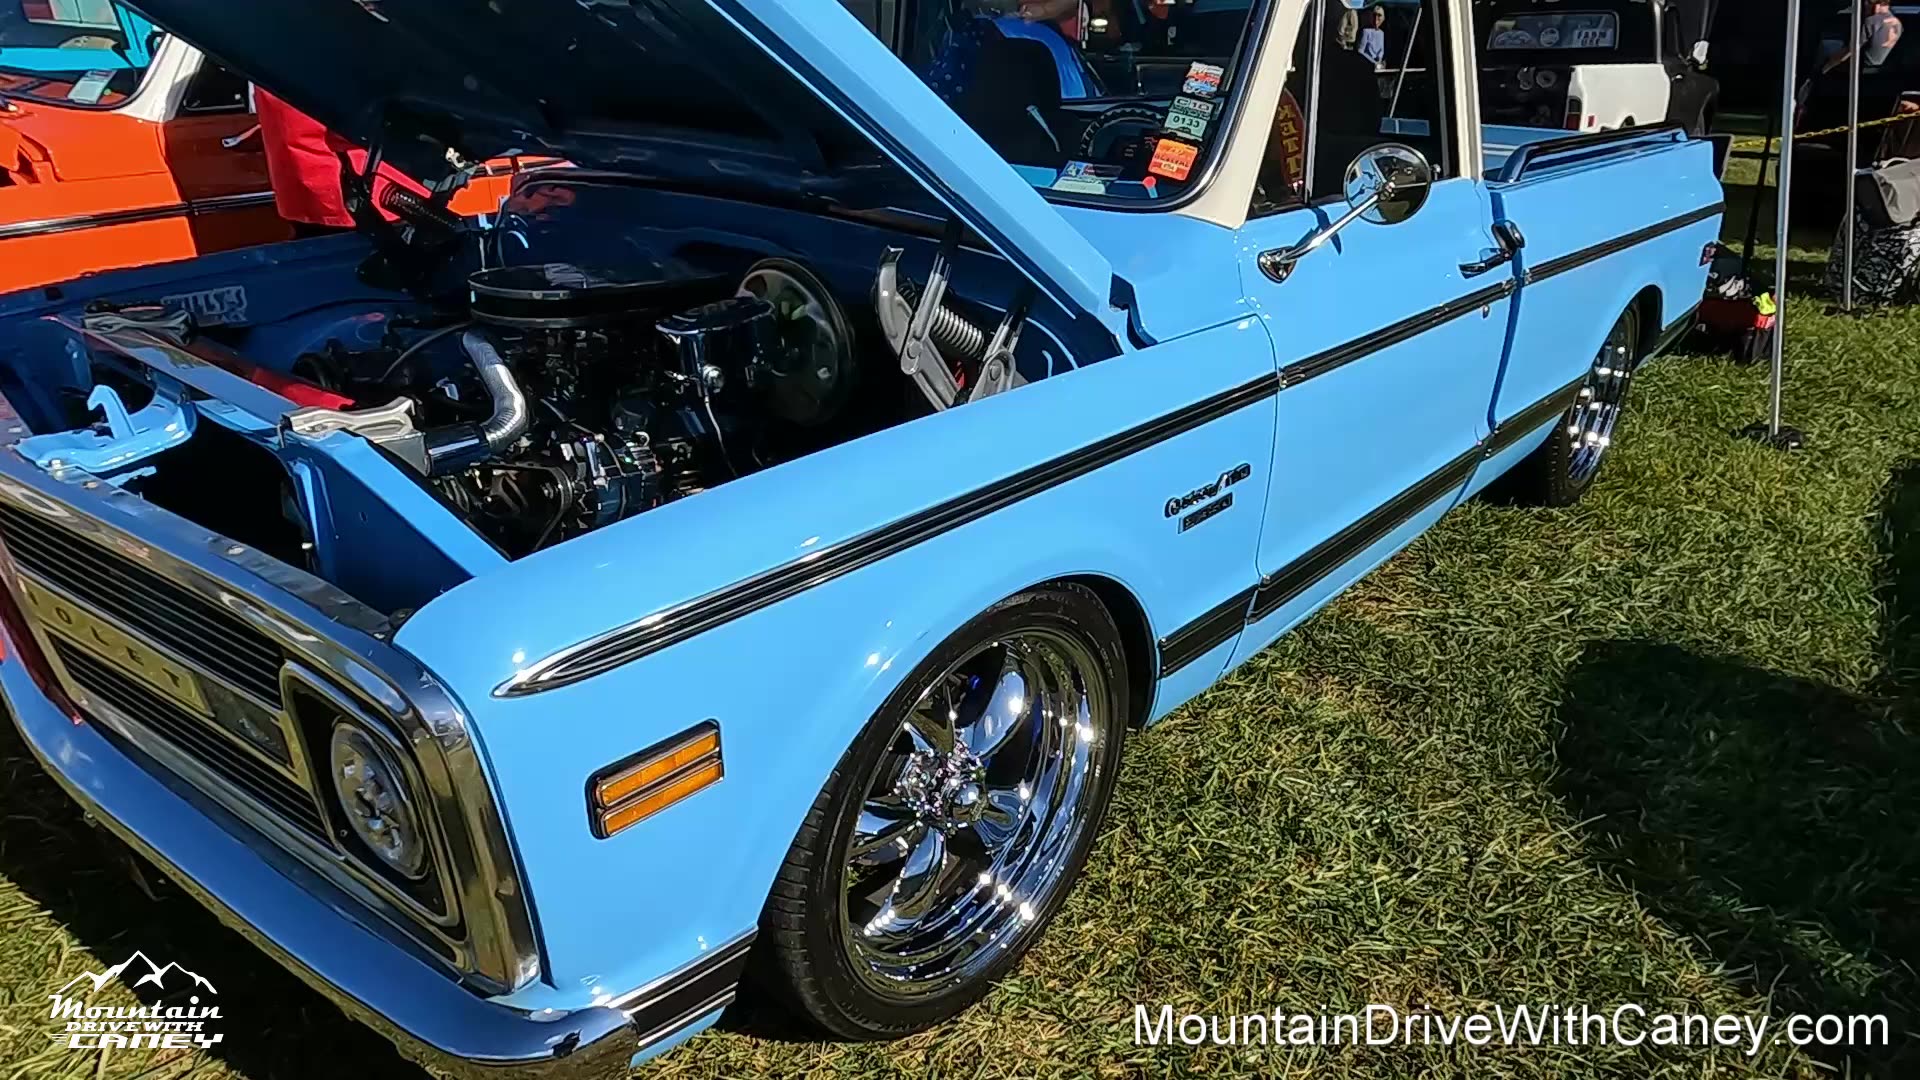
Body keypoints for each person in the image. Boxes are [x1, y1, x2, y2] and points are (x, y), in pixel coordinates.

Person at [1824, 0, 1903, 76]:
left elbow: (1849, 50)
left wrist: (1826, 67)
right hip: (1883, 71)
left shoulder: (1871, 21)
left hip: (1862, 71)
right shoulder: (1898, 24)